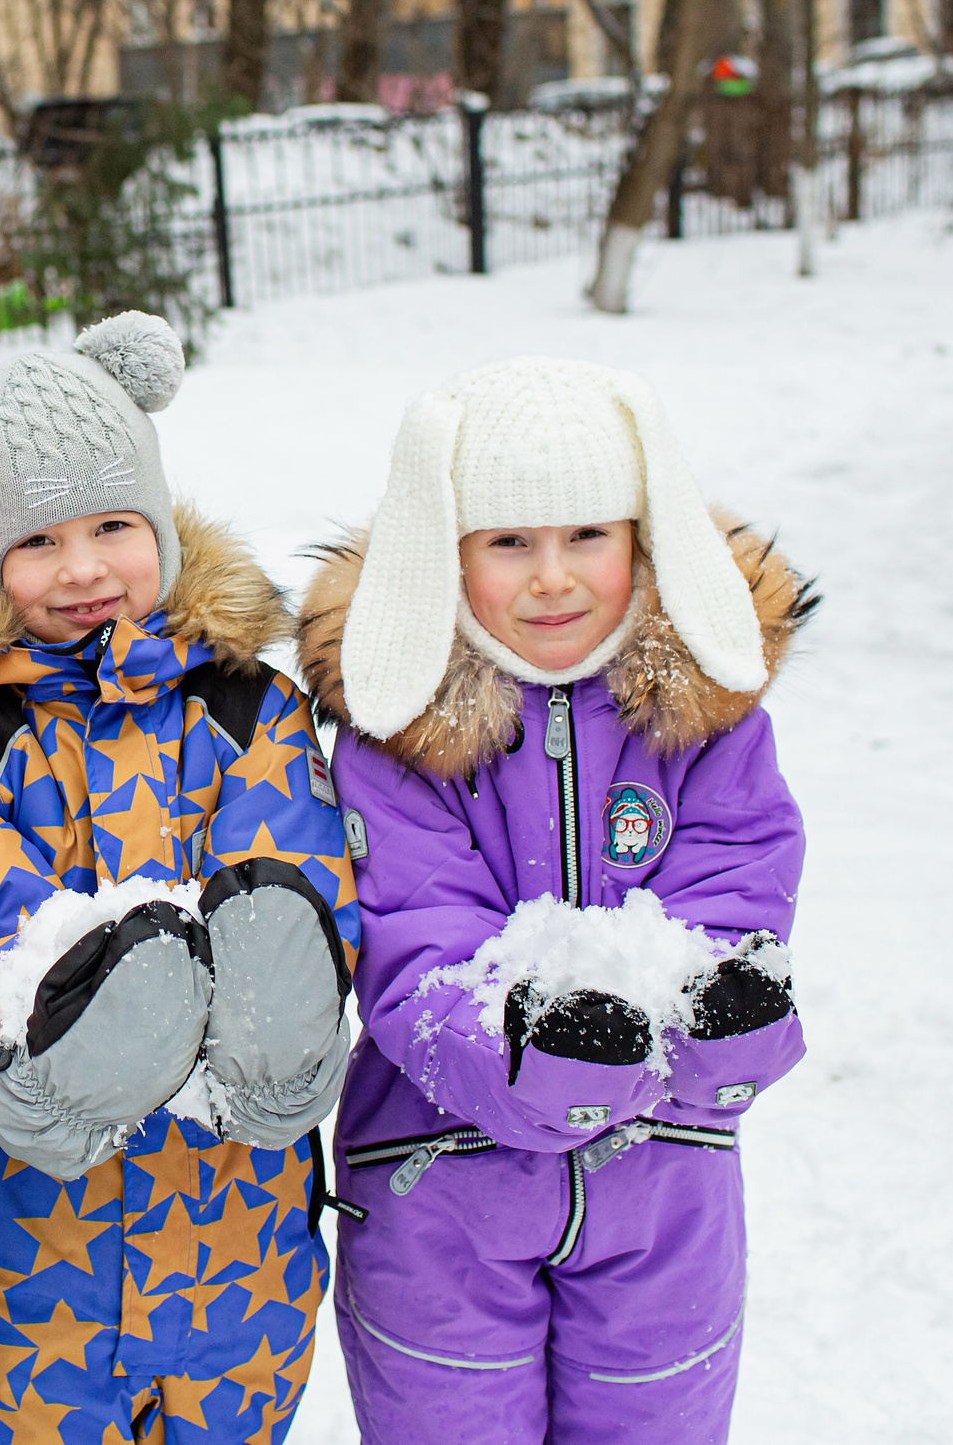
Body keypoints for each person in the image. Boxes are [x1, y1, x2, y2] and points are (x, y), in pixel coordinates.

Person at [297, 355, 814, 1445]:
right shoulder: (396, 736)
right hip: (441, 1194)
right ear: (447, 553)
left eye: (587, 535)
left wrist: (718, 1007)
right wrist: (530, 1044)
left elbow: (737, 880)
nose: (552, 578)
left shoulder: (709, 721)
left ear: (644, 537)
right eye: (508, 543)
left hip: (664, 1192)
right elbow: (415, 941)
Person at [0, 311, 356, 1445]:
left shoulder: (249, 709)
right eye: (38, 541)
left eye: (113, 525)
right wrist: (83, 1004)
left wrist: (275, 998)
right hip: (17, 1277)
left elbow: (297, 877)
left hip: (237, 1255)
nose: (83, 568)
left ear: (162, 527)